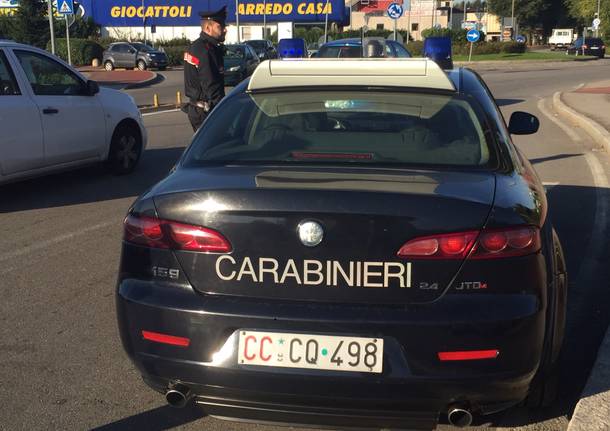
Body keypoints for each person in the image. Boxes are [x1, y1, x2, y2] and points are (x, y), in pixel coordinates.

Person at [183, 6, 227, 131]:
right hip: (206, 112)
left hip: (198, 110)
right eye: (220, 26)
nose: (224, 30)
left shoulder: (197, 46)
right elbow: (211, 86)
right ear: (208, 28)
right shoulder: (205, 50)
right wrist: (224, 112)